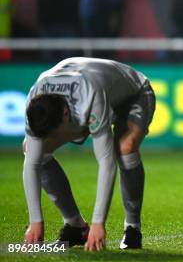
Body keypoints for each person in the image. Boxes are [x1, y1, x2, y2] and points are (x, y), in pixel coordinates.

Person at [23, 58, 156, 250]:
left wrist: (98, 223)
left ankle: (132, 228)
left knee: (125, 148)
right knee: (32, 149)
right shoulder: (36, 98)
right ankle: (75, 226)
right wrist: (35, 221)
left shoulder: (90, 96)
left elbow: (106, 161)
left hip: (134, 93)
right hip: (88, 95)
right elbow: (32, 162)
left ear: (65, 116)